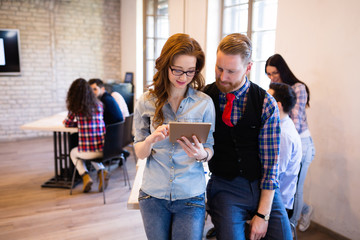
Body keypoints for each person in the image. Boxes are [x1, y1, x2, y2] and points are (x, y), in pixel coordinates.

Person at [204, 33, 292, 240]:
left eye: (231, 71)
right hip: (225, 187)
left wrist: (262, 214)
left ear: (248, 67)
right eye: (219, 68)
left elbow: (271, 166)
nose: (223, 77)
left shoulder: (265, 103)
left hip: (264, 186)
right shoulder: (204, 99)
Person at [134, 33, 215, 240]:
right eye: (177, 70)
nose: (183, 77)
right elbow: (139, 152)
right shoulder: (146, 101)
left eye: (190, 71)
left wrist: (201, 154)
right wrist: (151, 140)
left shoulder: (204, 103)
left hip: (191, 194)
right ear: (165, 65)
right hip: (153, 194)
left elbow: (210, 148)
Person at [265, 53, 316, 231]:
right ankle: (301, 212)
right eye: (269, 74)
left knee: (295, 189)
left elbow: (294, 119)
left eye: (274, 73)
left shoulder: (298, 88)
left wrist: (276, 135)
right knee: (288, 186)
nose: (272, 78)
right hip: (290, 138)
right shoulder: (277, 91)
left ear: (283, 70)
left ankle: (290, 227)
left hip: (302, 141)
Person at [64, 78, 109, 193]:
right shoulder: (99, 104)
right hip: (104, 149)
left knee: (74, 153)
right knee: (91, 153)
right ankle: (101, 171)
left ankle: (85, 176)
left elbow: (68, 123)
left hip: (88, 152)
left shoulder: (76, 107)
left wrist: (76, 123)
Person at [268, 82, 302, 213]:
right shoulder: (282, 124)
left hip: (278, 202)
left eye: (267, 99)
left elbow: (275, 173)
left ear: (278, 105)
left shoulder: (283, 134)